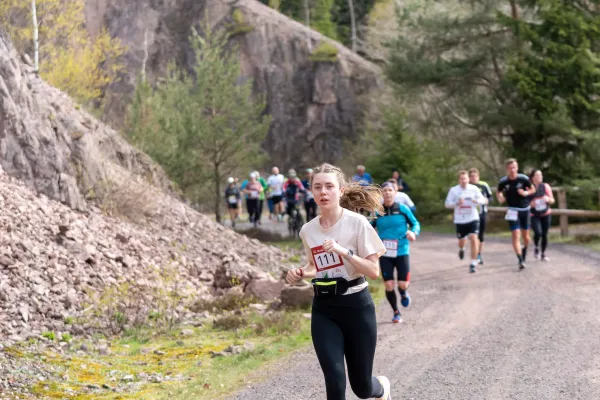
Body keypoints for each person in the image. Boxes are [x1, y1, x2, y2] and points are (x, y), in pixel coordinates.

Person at [285, 163, 391, 400]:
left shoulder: (357, 223)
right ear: (311, 191)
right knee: (334, 380)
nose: (323, 192)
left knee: (362, 388)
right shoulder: (308, 231)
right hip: (325, 310)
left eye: (329, 186)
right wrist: (300, 273)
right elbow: (316, 267)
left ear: (340, 191)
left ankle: (381, 389)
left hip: (357, 308)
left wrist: (344, 252)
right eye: (318, 187)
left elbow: (374, 271)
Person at [371, 181, 420, 323]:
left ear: (395, 193)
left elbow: (415, 223)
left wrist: (413, 232)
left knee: (402, 284)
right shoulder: (377, 211)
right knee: (388, 284)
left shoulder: (403, 208)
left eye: (389, 190)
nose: (387, 193)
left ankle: (403, 292)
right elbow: (368, 227)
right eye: (384, 190)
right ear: (381, 194)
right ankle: (396, 312)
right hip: (385, 252)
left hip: (402, 249)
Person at [445, 170, 486, 273]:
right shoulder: (454, 190)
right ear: (459, 180)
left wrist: (476, 201)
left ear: (468, 179)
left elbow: (483, 200)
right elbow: (447, 204)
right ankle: (462, 248)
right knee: (462, 241)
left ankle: (473, 263)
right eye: (461, 179)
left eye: (465, 178)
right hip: (460, 219)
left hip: (473, 218)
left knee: (473, 237)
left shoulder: (474, 189)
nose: (464, 180)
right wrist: (457, 203)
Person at [497, 158, 534, 270]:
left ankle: (524, 250)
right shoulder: (503, 181)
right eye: (510, 168)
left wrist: (525, 192)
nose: (512, 170)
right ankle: (520, 260)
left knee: (526, 237)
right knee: (516, 235)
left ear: (517, 168)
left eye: (514, 167)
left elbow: (533, 189)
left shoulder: (523, 178)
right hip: (512, 210)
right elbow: (498, 191)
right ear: (507, 169)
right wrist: (500, 197)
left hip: (524, 210)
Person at [529, 169, 555, 261]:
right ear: (533, 177)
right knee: (538, 232)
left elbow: (552, 200)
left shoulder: (545, 186)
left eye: (541, 175)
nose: (540, 176)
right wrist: (530, 203)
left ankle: (543, 254)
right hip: (534, 214)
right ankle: (536, 246)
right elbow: (524, 201)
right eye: (537, 175)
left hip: (546, 213)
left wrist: (548, 199)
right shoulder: (529, 187)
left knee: (544, 234)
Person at [468, 168, 493, 265]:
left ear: (478, 176)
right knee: (473, 236)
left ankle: (479, 254)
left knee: (481, 236)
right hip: (470, 215)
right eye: (471, 176)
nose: (473, 178)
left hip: (482, 213)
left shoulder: (484, 185)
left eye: (475, 176)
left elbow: (491, 197)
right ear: (469, 178)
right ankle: (475, 255)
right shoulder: (467, 187)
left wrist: (487, 200)